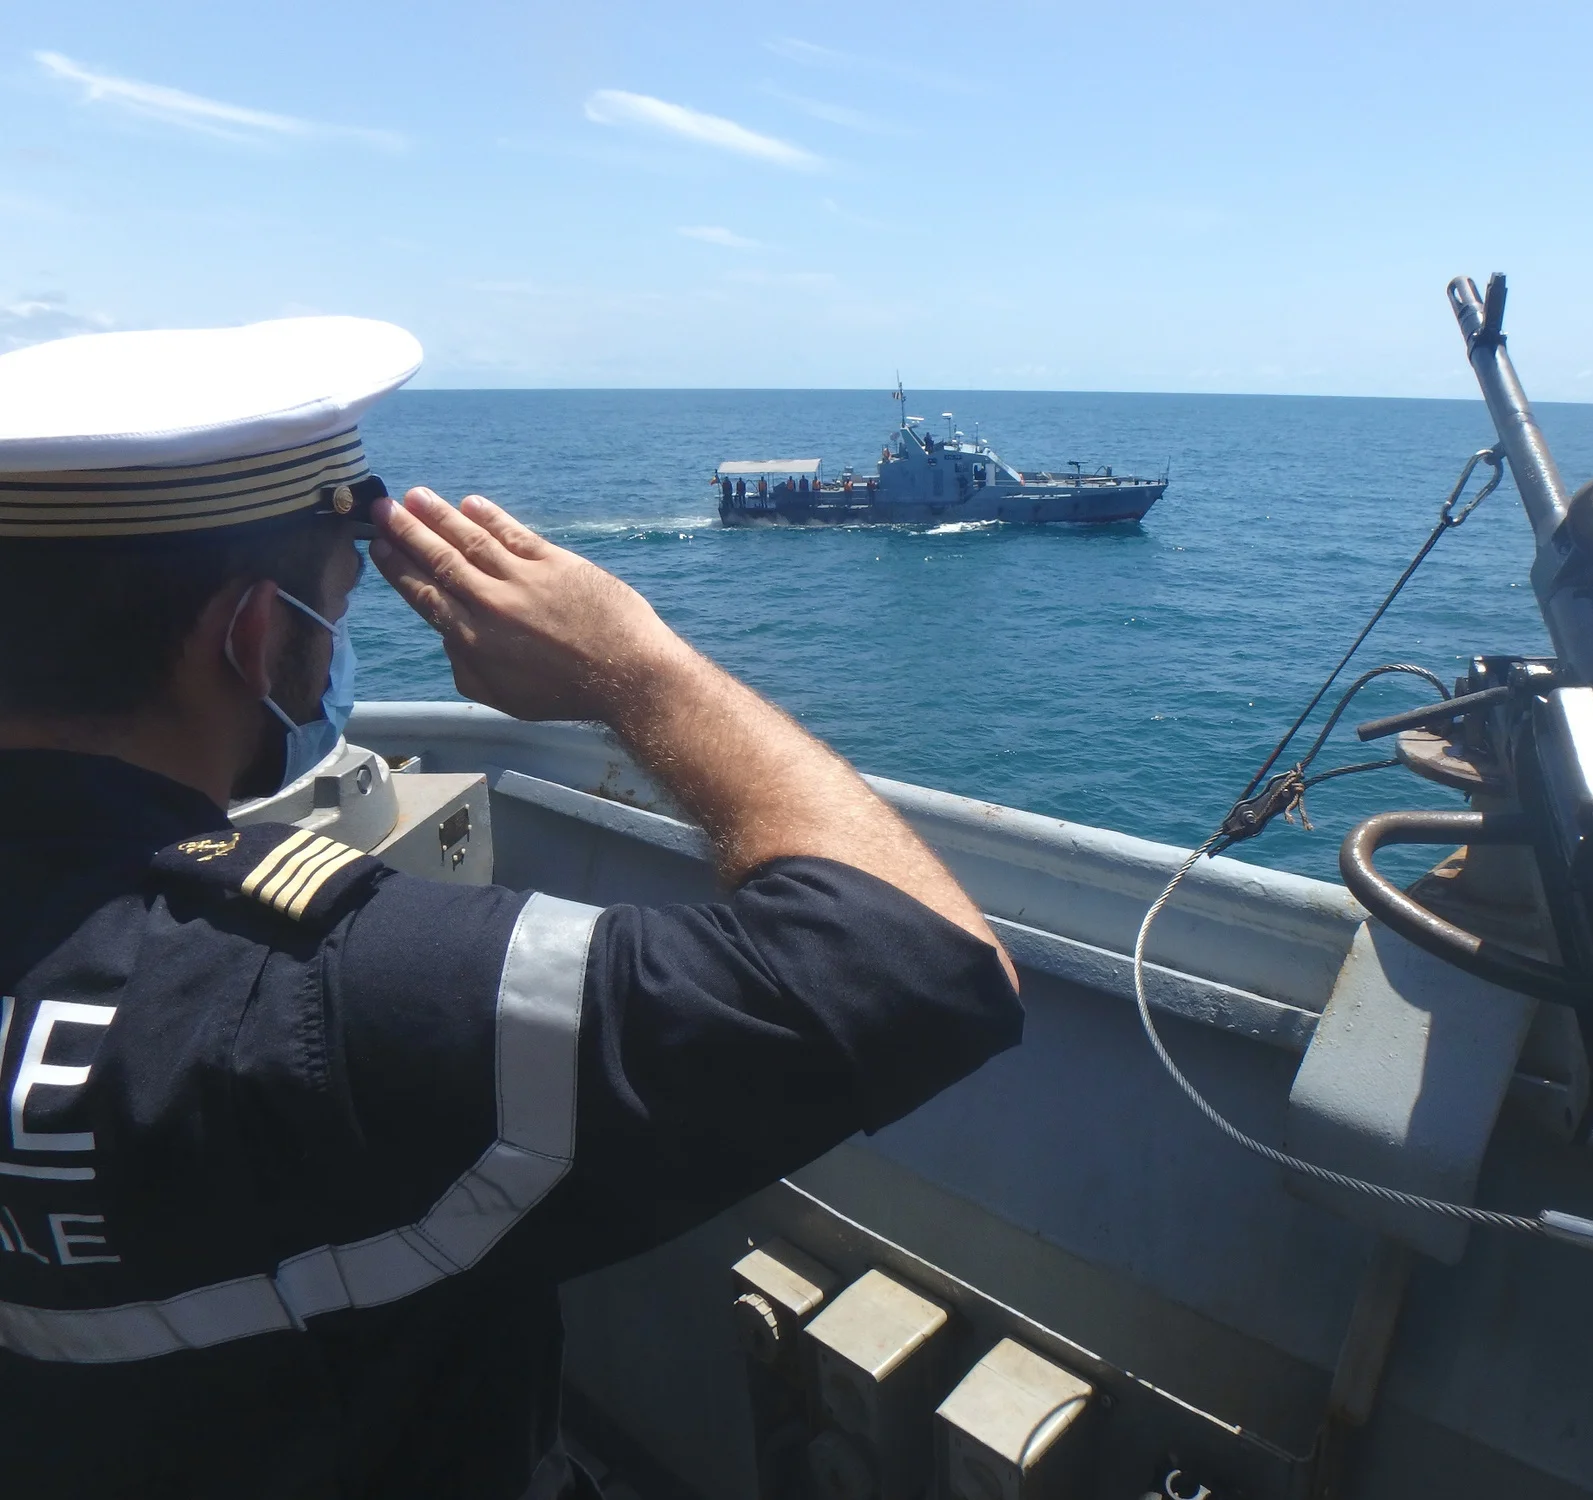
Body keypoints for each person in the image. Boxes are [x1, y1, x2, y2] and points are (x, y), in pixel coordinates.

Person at [0, 317, 1021, 1496]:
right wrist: (634, 668)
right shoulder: (333, 1001)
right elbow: (924, 968)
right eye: (339, 598)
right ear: (257, 633)